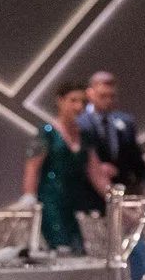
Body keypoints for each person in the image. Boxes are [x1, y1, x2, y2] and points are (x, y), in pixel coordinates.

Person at [24, 80, 112, 253]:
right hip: (51, 205)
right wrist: (29, 197)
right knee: (59, 249)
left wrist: (119, 202)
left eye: (82, 102)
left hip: (76, 206)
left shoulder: (85, 136)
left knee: (79, 250)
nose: (78, 106)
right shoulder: (47, 133)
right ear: (61, 101)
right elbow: (32, 168)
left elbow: (97, 176)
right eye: (73, 100)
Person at [80, 70, 145, 195]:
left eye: (111, 96)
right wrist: (97, 169)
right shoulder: (79, 123)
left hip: (121, 192)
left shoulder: (126, 122)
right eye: (103, 96)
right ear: (90, 94)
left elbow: (137, 162)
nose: (108, 101)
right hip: (87, 193)